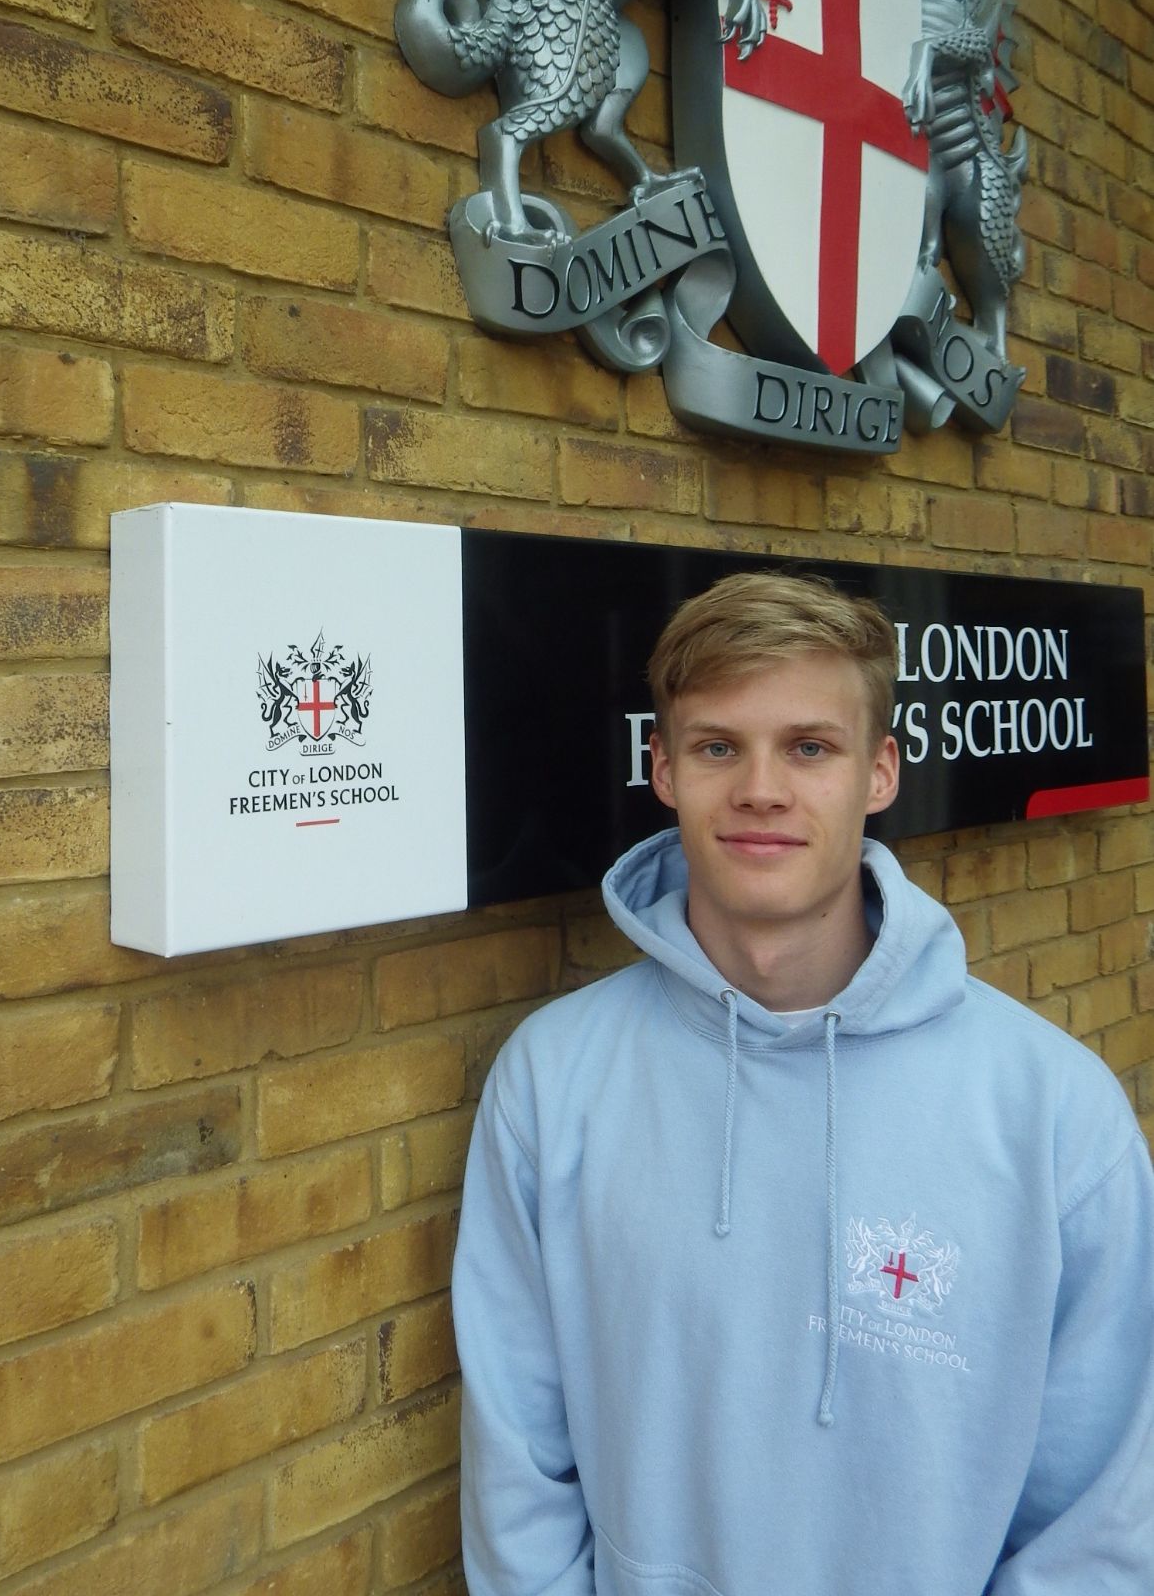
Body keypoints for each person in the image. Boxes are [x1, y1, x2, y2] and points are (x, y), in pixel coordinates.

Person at [453, 571, 1154, 1595]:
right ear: (663, 766)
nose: (761, 789)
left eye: (809, 747)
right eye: (718, 745)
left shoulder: (1054, 1115)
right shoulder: (552, 1086)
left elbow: (1101, 1513)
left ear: (880, 772)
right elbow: (520, 1473)